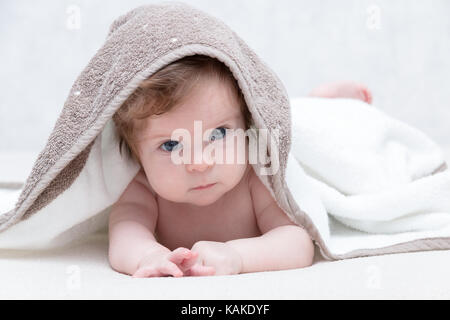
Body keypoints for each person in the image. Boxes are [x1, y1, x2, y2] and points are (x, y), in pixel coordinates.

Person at [108, 54, 372, 277]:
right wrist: (147, 255)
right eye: (171, 145)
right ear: (137, 155)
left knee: (317, 133)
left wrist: (238, 256)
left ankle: (326, 106)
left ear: (246, 127)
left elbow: (297, 242)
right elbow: (124, 235)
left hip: (307, 140)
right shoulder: (143, 188)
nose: (200, 163)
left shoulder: (254, 176)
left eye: (218, 134)